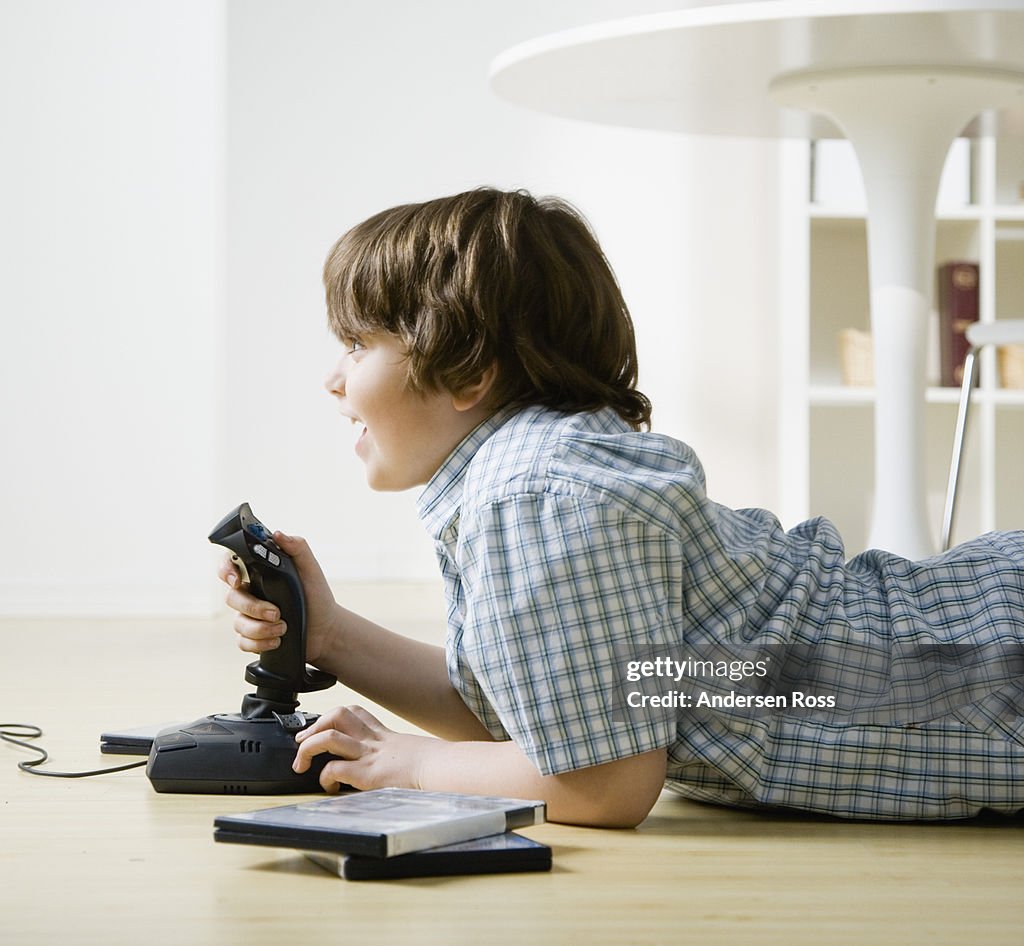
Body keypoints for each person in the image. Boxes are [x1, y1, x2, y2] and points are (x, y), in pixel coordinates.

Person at [220, 187, 1024, 827]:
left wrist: (409, 761)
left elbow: (602, 783)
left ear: (471, 373)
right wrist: (328, 634)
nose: (334, 377)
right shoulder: (530, 474)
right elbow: (541, 714)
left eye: (358, 345)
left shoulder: (537, 494)